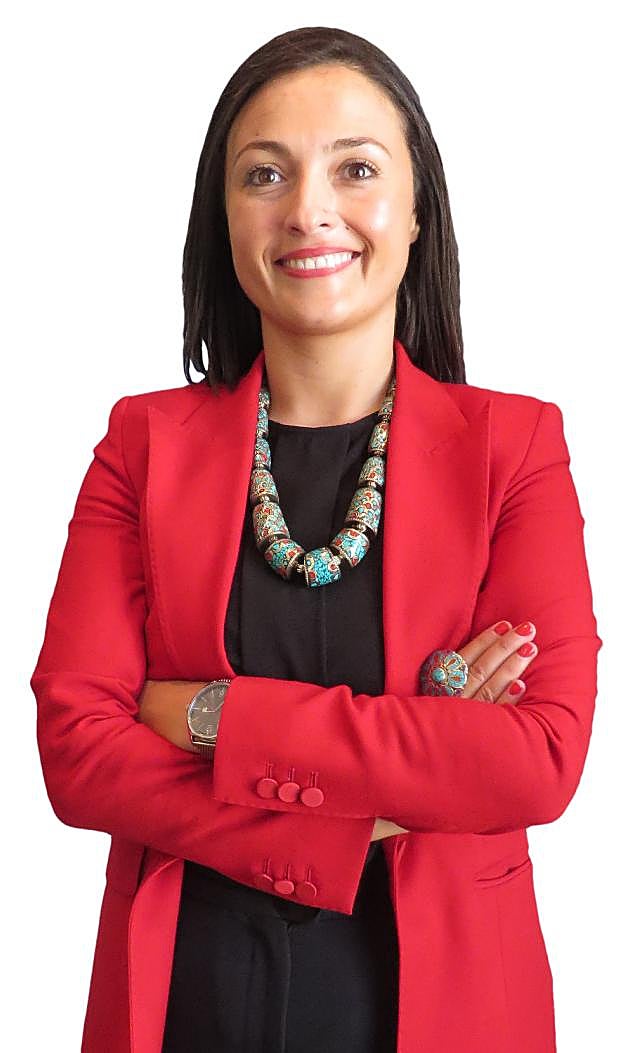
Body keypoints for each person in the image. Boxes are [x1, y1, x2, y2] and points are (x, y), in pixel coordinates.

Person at [29, 25, 602, 1053]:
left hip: (452, 1014)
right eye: (265, 173)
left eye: (356, 168)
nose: (308, 209)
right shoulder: (141, 446)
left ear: (418, 209)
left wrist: (209, 715)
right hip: (183, 1011)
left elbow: (538, 759)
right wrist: (389, 785)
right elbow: (77, 753)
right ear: (223, 217)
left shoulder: (515, 448)